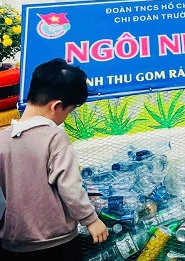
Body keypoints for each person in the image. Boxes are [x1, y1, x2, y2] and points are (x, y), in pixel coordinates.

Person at [0, 59, 108, 259]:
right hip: (56, 243)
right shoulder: (55, 137)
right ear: (57, 106)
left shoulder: (3, 138)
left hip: (13, 243)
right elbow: (70, 187)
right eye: (69, 111)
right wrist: (91, 219)